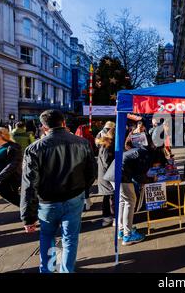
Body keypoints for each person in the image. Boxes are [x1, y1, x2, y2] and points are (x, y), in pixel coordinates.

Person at [20, 110, 96, 273]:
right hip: (74, 197)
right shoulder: (82, 143)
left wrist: (28, 216)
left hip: (48, 202)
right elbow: (91, 173)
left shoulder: (34, 148)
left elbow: (29, 185)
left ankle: (47, 270)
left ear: (43, 127)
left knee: (48, 237)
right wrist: (82, 189)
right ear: (63, 123)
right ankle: (67, 270)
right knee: (70, 238)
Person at [113, 137, 151, 245]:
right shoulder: (141, 152)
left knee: (123, 201)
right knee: (130, 201)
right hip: (121, 177)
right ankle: (127, 234)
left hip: (114, 175)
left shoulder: (132, 151)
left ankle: (122, 230)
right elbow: (140, 175)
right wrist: (150, 179)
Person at [96, 128, 116, 227]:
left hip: (105, 175)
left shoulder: (106, 144)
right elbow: (106, 162)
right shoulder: (108, 146)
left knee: (108, 197)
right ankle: (112, 218)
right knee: (111, 197)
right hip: (107, 176)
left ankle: (107, 218)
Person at [75, 124, 96, 211]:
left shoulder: (74, 139)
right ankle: (87, 201)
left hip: (77, 165)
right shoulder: (88, 138)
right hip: (86, 164)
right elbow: (93, 150)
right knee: (86, 185)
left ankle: (86, 202)